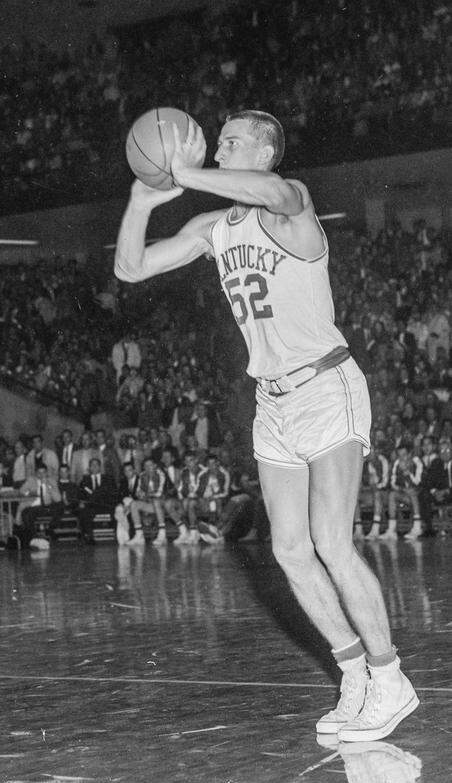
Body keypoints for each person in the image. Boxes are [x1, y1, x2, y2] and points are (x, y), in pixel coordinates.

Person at [113, 110, 416, 742]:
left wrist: (185, 170)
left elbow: (275, 192)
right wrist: (143, 198)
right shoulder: (211, 227)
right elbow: (130, 268)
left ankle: (391, 678)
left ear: (266, 150)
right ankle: (354, 671)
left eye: (230, 141)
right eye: (217, 142)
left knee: (331, 542)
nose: (218, 147)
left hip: (326, 385)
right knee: (286, 549)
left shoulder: (289, 205)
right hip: (273, 401)